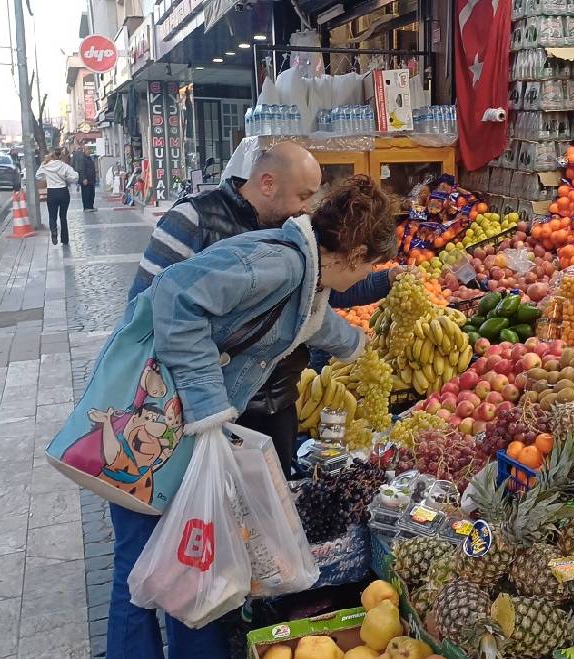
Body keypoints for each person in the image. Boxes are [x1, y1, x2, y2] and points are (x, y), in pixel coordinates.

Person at [107, 175, 398, 659]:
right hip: (151, 423)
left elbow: (310, 320)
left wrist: (360, 346)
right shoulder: (279, 263)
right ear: (355, 252)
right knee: (139, 565)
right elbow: (173, 298)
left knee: (191, 561)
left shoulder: (304, 274)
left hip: (179, 428)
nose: (363, 279)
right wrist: (208, 410)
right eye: (370, 266)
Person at [128, 141, 401, 472]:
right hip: (189, 405)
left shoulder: (298, 252)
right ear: (268, 183)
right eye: (303, 196)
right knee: (174, 512)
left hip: (265, 400)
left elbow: (306, 310)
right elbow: (163, 298)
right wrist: (207, 406)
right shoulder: (276, 257)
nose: (307, 208)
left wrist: (355, 343)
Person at [36, 149, 78, 245]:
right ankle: (65, 239)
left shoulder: (45, 165)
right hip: (63, 191)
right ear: (60, 156)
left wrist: (47, 178)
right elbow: (75, 177)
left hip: (52, 192)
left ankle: (54, 232)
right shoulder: (63, 165)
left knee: (52, 216)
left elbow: (37, 176)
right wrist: (67, 178)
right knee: (63, 216)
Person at [72, 144, 98, 211]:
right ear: (84, 151)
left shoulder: (89, 158)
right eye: (88, 150)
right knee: (86, 193)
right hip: (86, 180)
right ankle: (86, 207)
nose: (89, 151)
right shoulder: (82, 159)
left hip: (91, 179)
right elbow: (82, 169)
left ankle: (91, 206)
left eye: (90, 149)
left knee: (92, 194)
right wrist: (84, 178)